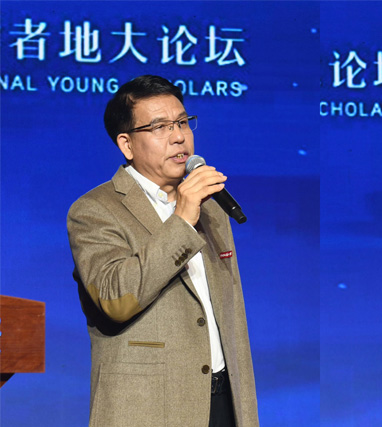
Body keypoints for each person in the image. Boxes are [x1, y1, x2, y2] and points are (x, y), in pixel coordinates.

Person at [67, 75, 259, 427]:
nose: (178, 136)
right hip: (149, 406)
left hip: (224, 402)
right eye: (159, 127)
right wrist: (182, 220)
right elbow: (116, 299)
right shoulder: (95, 209)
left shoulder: (211, 208)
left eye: (183, 122)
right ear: (126, 144)